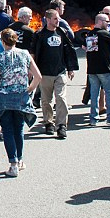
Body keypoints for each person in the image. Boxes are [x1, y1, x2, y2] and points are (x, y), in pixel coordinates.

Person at [0, 27, 42, 177]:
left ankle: (12, 164)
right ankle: (20, 160)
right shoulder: (25, 54)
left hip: (3, 97)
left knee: (7, 130)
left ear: (2, 42)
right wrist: (29, 90)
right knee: (19, 130)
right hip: (21, 97)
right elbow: (38, 76)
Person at [32, 8, 78, 139]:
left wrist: (71, 68)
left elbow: (68, 50)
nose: (58, 21)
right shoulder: (39, 34)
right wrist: (33, 71)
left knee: (61, 98)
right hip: (45, 73)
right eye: (55, 18)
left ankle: (61, 126)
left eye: (58, 18)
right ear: (47, 19)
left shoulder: (61, 32)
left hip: (60, 72)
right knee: (46, 101)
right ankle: (48, 123)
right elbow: (33, 53)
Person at [82, 13, 110, 126]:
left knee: (94, 94)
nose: (108, 24)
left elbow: (85, 48)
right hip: (105, 68)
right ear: (100, 21)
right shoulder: (105, 34)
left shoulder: (89, 34)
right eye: (106, 22)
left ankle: (93, 118)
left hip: (92, 69)